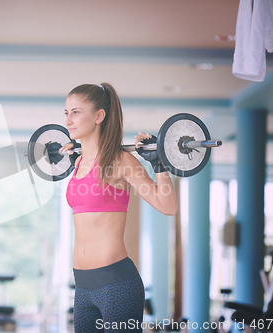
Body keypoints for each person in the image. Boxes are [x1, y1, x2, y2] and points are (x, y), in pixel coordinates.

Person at [59, 83, 178, 332]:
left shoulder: (121, 161)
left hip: (116, 284)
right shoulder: (78, 161)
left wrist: (159, 163)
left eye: (76, 112)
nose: (69, 120)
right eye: (66, 113)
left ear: (100, 116)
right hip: (82, 286)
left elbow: (168, 206)